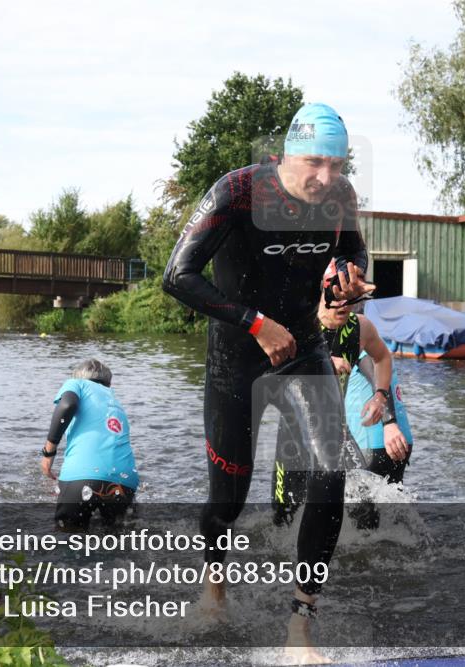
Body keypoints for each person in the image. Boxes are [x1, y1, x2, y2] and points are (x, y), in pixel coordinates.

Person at [162, 102, 372, 662]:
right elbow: (176, 276)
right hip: (238, 355)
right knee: (228, 499)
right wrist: (254, 322)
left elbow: (353, 251)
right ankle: (214, 588)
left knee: (332, 473)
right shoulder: (238, 193)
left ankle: (299, 627)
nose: (324, 178)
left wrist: (347, 288)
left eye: (336, 164)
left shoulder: (341, 197)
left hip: (303, 347)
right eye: (313, 163)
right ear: (283, 155)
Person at [273, 276, 414, 531]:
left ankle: (362, 561)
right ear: (317, 298)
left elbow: (382, 357)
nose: (342, 306)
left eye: (348, 299)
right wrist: (322, 365)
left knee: (364, 505)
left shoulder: (360, 327)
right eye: (334, 299)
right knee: (284, 518)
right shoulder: (296, 329)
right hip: (295, 437)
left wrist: (380, 397)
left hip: (335, 431)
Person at [40, 359, 139, 531]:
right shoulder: (115, 402)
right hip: (125, 482)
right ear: (109, 383)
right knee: (118, 544)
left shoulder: (77, 384)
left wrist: (49, 452)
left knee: (68, 541)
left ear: (78, 376)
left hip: (82, 477)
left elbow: (68, 404)